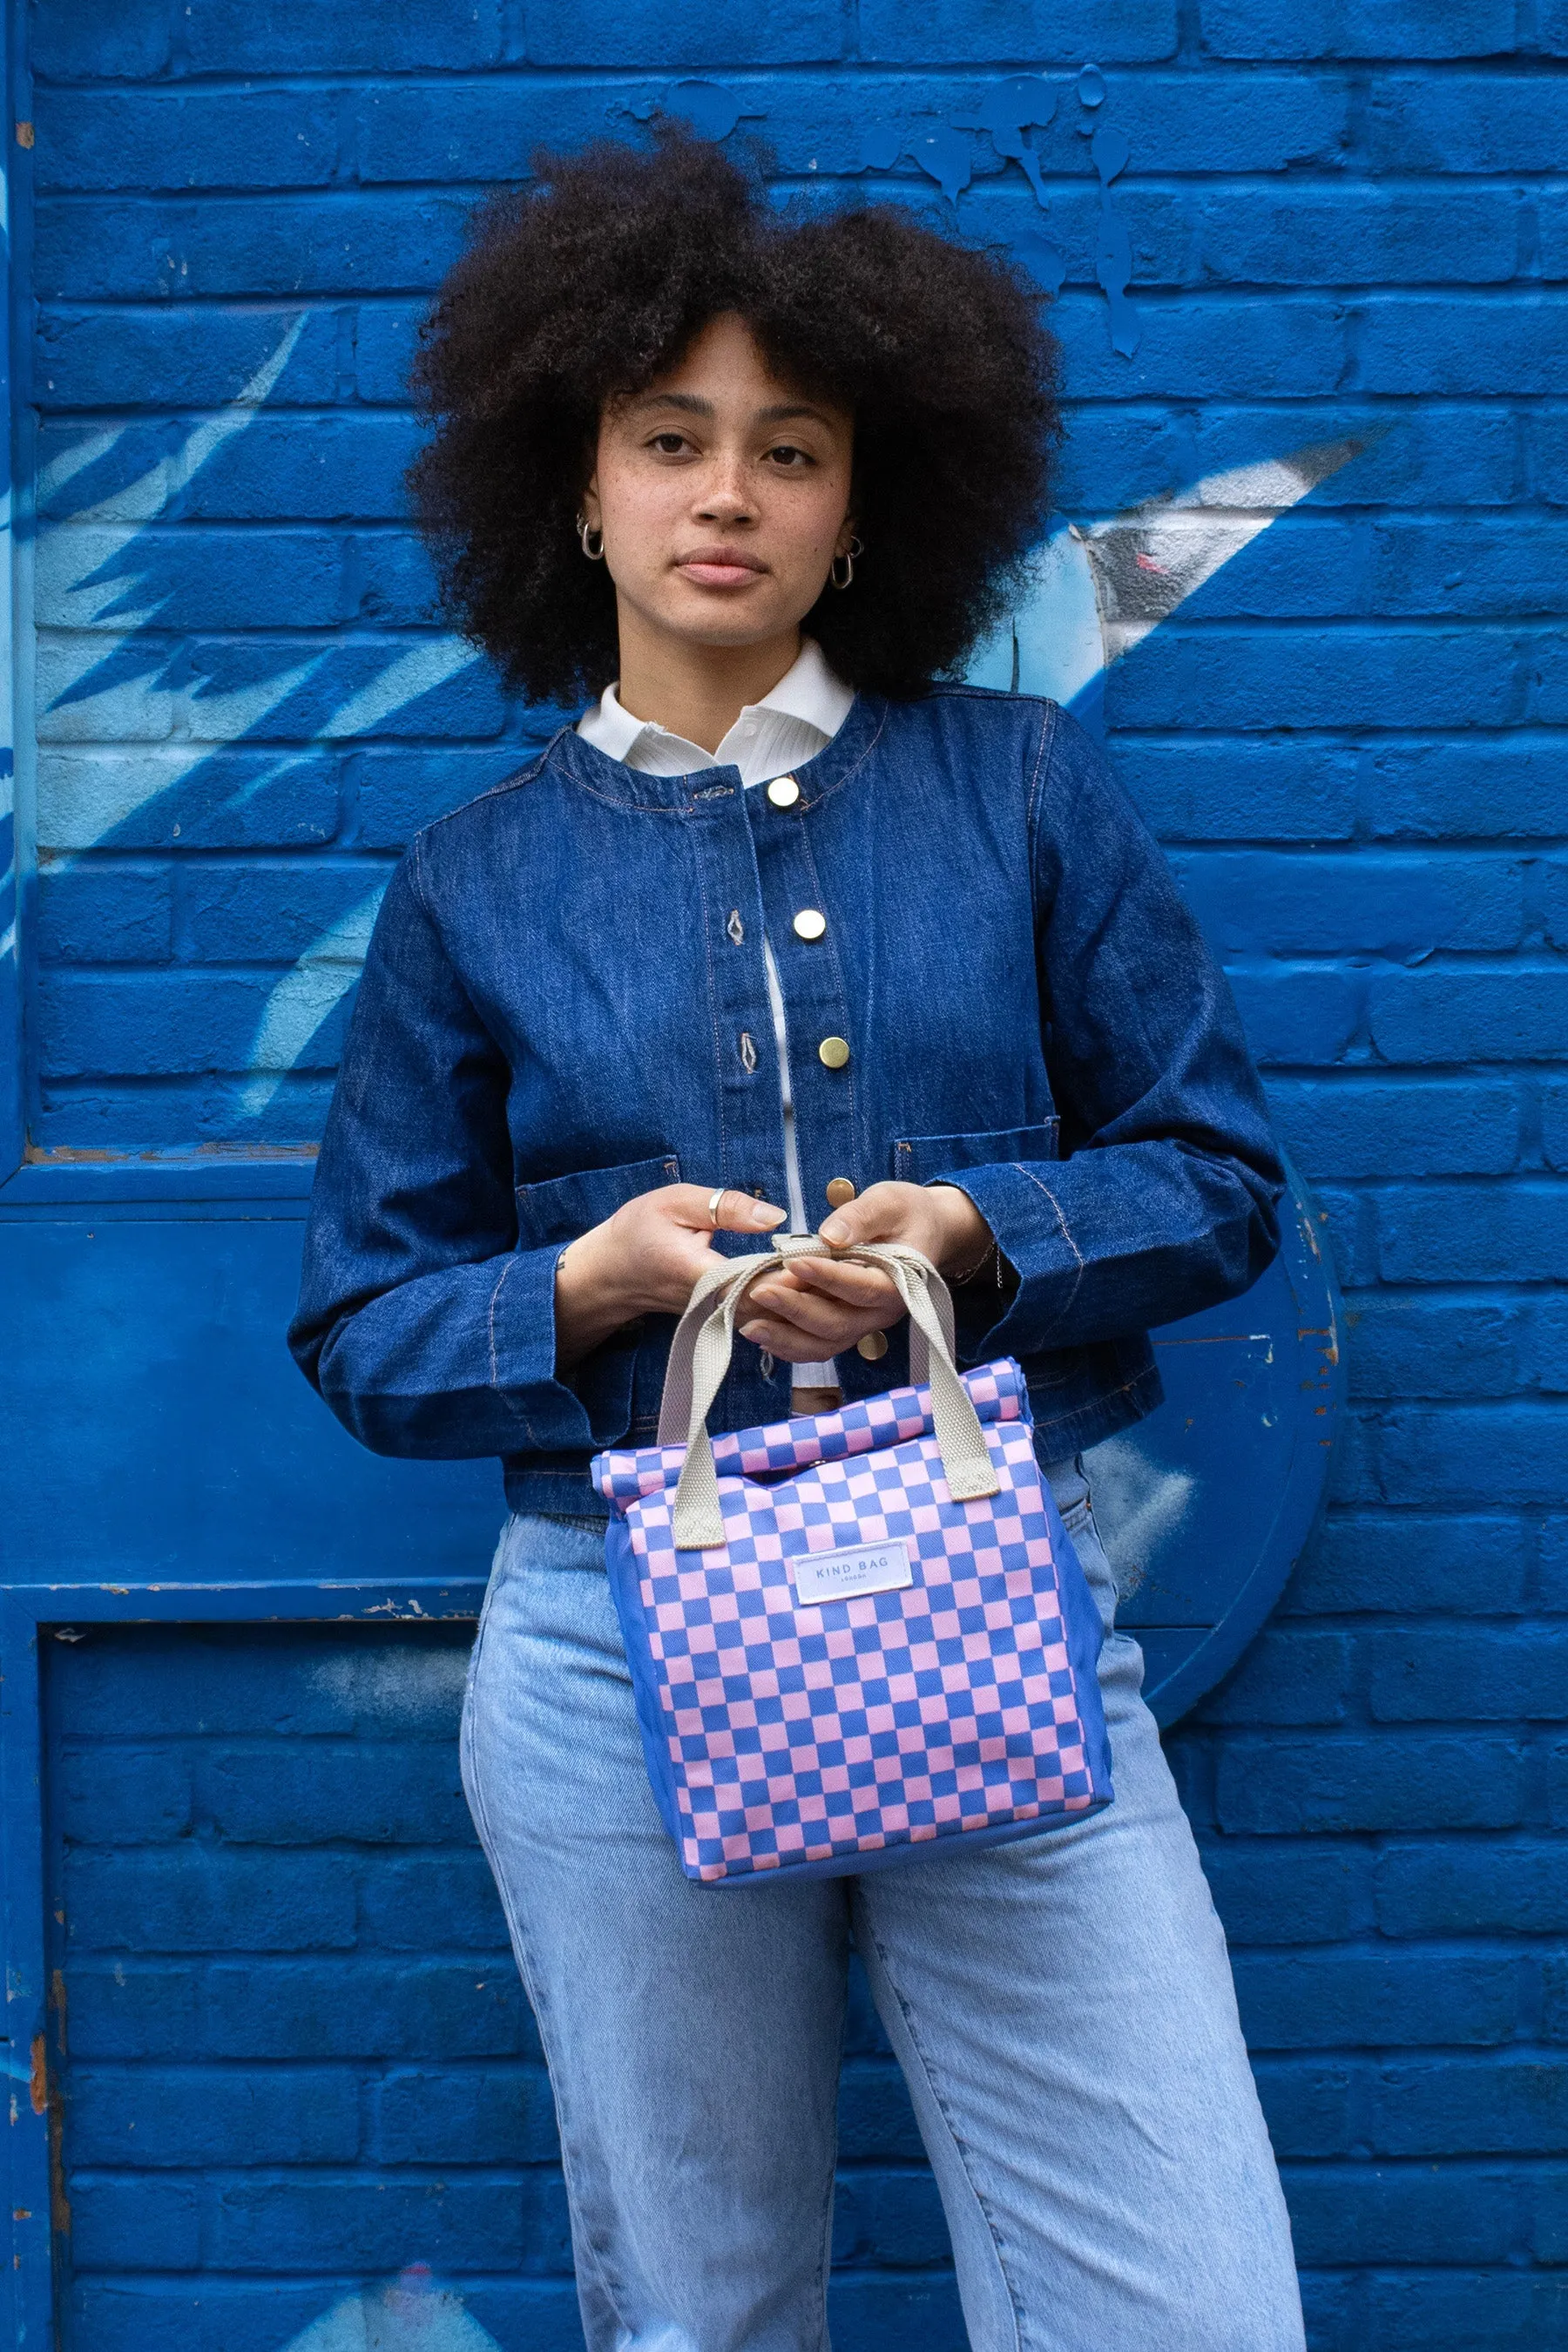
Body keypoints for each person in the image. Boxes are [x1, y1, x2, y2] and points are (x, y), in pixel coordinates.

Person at [290, 128, 1306, 2352]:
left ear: (868, 507)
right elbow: (366, 1325)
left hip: (998, 1581)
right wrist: (598, 1283)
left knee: (1191, 2306)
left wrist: (987, 1233)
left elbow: (1221, 1178)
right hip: (605, 1642)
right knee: (708, 2314)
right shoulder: (472, 882)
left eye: (791, 450)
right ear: (576, 492)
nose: (725, 493)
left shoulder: (1025, 788)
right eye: (669, 443)